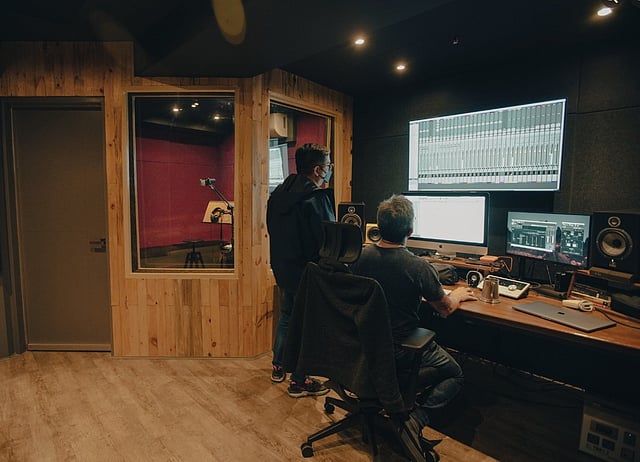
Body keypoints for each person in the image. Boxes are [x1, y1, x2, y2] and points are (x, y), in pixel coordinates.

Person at [350, 194, 477, 457]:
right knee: (456, 374)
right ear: (410, 231)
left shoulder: (358, 257)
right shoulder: (418, 267)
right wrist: (458, 294)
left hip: (362, 345)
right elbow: (445, 309)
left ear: (378, 227)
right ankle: (416, 419)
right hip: (401, 350)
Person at [266, 143, 336, 398]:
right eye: (328, 166)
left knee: (287, 316)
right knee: (307, 326)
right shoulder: (315, 198)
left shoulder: (278, 194)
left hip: (283, 268)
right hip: (308, 273)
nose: (329, 170)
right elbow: (326, 240)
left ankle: (279, 365)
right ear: (317, 170)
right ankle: (299, 381)